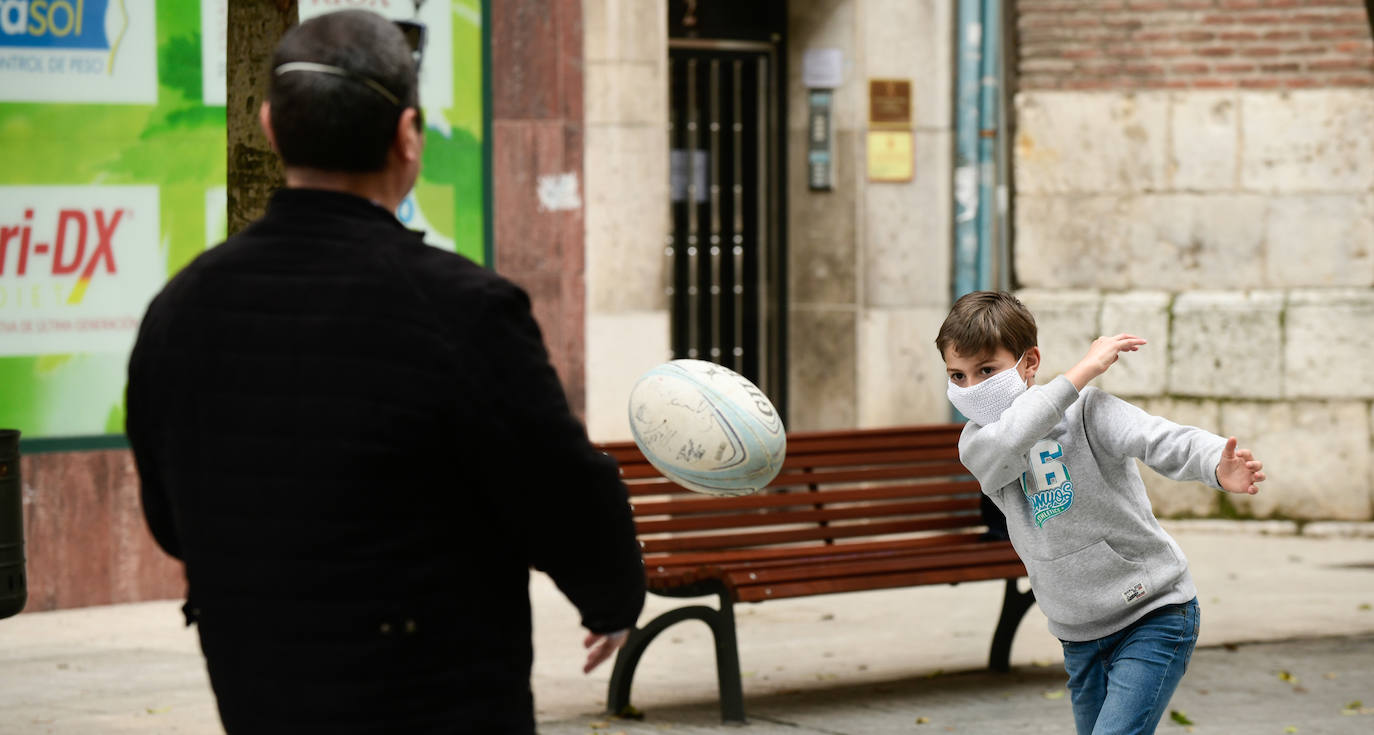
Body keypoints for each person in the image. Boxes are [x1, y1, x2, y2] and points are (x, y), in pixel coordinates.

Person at [125, 11, 645, 734]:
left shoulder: (180, 307)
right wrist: (611, 596)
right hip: (438, 691)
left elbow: (169, 517)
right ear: (408, 137)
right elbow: (559, 485)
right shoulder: (463, 307)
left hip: (258, 687)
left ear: (271, 128)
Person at [935, 291, 1265, 735]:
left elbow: (1158, 438)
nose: (971, 388)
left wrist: (1214, 464)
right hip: (1078, 634)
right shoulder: (978, 445)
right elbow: (1012, 438)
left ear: (1029, 362)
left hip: (1154, 611)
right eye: (958, 375)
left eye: (987, 370)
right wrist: (1081, 371)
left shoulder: (1088, 411)